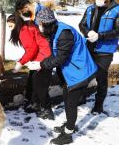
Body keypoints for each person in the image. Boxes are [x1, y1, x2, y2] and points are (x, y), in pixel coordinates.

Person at [27, 8, 98, 144]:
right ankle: (69, 126)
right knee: (67, 100)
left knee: (70, 104)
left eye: (41, 24)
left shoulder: (64, 33)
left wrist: (41, 65)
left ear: (48, 23)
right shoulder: (54, 31)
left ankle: (68, 134)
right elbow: (55, 53)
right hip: (71, 72)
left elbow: (61, 58)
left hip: (79, 72)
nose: (39, 27)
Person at [79, 0, 119, 115]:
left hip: (105, 51)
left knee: (101, 78)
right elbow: (82, 24)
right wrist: (87, 32)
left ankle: (98, 105)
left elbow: (117, 31)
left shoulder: (117, 11)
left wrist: (100, 36)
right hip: (89, 47)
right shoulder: (90, 8)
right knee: (84, 74)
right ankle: (81, 97)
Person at [7, 13, 54, 120]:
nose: (10, 29)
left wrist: (20, 63)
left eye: (11, 26)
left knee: (41, 86)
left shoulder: (24, 31)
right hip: (39, 57)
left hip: (43, 58)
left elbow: (31, 49)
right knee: (33, 81)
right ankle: (35, 104)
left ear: (17, 23)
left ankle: (47, 110)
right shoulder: (25, 27)